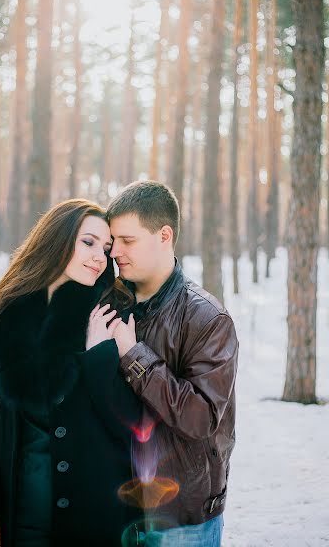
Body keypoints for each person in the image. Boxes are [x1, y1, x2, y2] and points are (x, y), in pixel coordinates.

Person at [0, 199, 142, 547]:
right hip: (22, 516)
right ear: (56, 239)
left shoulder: (111, 316)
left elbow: (133, 426)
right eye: (88, 242)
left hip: (93, 520)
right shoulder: (2, 316)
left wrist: (99, 356)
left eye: (106, 248)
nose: (99, 257)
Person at [106, 180, 239, 547]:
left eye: (127, 240)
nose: (115, 251)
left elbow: (200, 418)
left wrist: (135, 358)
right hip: (116, 511)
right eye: (112, 240)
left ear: (164, 235)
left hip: (183, 521)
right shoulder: (109, 305)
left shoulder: (208, 319)